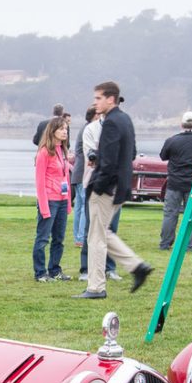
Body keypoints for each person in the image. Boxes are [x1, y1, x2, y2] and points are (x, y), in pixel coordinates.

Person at [77, 81, 151, 300]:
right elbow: (131, 153)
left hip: (106, 188)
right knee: (103, 233)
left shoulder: (110, 123)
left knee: (96, 237)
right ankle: (137, 266)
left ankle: (96, 287)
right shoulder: (125, 120)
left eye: (98, 98)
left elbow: (108, 162)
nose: (95, 102)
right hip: (120, 187)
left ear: (111, 98)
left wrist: (97, 186)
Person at [76, 106, 118, 281]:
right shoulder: (91, 129)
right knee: (91, 228)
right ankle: (86, 268)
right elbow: (91, 155)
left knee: (111, 229)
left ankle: (110, 268)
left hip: (114, 185)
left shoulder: (119, 129)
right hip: (94, 184)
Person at [32, 116, 72, 282]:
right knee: (42, 239)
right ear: (53, 131)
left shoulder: (62, 151)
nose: (65, 132)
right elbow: (39, 183)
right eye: (61, 129)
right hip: (49, 201)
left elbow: (66, 178)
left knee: (59, 239)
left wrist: (68, 202)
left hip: (62, 201)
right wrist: (44, 207)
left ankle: (55, 270)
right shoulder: (43, 153)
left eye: (66, 129)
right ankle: (40, 273)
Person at [158, 110, 192, 252]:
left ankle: (165, 244)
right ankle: (190, 245)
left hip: (174, 184)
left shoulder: (171, 141)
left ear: (181, 124)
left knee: (170, 214)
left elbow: (163, 157)